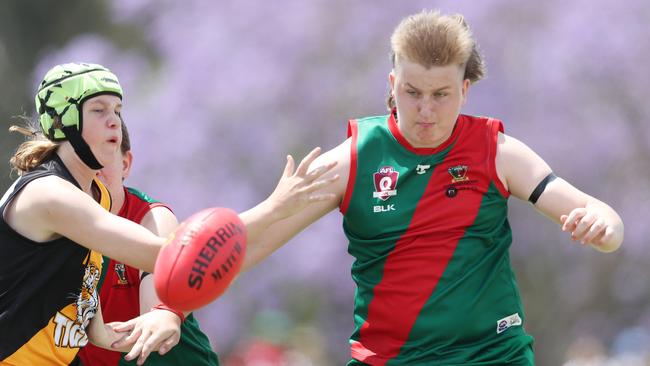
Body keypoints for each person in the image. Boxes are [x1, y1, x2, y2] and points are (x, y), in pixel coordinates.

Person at [238, 10, 625, 365]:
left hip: (492, 356)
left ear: (465, 89)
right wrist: (178, 301)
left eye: (441, 95)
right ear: (393, 83)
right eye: (413, 92)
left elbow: (604, 220)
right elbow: (246, 246)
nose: (426, 110)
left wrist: (602, 227)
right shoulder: (350, 161)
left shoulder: (498, 152)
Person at [0, 62, 337, 365]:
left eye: (118, 109)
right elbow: (166, 256)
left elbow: (86, 307)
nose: (114, 119)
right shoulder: (49, 194)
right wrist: (274, 207)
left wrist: (150, 323)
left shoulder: (95, 195)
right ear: (63, 123)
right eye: (99, 110)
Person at [78, 121, 219, 366]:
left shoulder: (152, 218)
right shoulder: (56, 225)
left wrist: (99, 333)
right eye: (83, 158)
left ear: (125, 164)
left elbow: (155, 319)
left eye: (104, 155)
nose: (94, 169)